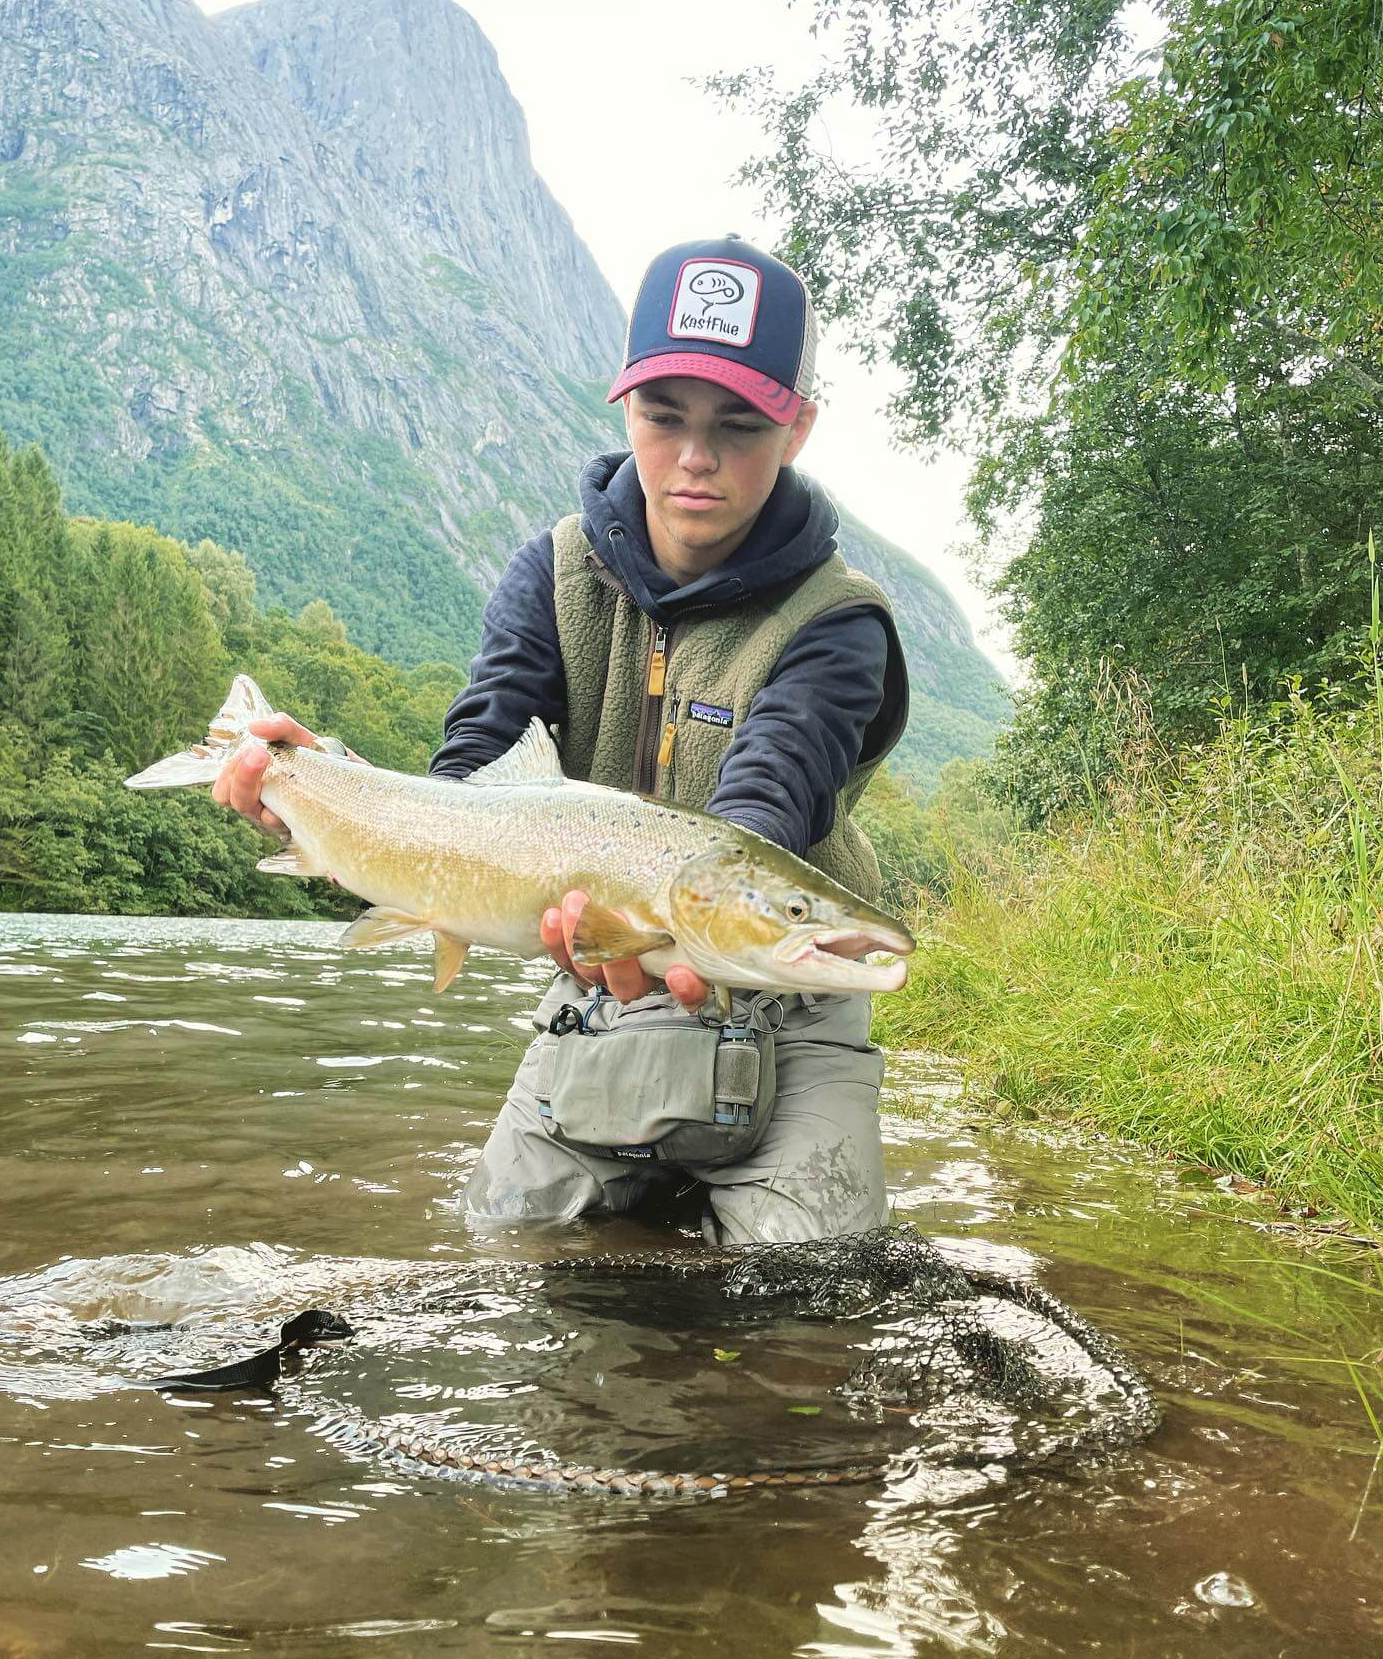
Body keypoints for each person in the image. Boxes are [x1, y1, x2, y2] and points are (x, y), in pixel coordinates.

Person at [214, 237, 909, 1246]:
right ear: (625, 407)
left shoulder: (841, 620)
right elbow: (472, 771)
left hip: (791, 1016)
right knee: (499, 1269)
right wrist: (333, 790)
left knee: (812, 1304)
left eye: (740, 425)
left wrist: (710, 925)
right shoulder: (551, 574)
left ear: (799, 425)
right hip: (599, 986)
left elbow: (769, 795)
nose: (695, 458)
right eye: (664, 418)